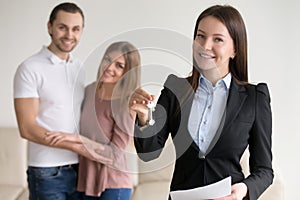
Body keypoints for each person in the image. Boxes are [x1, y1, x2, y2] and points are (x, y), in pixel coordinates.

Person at [130, 5, 273, 200]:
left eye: (218, 40)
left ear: (235, 49)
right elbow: (149, 153)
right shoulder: (175, 89)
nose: (205, 46)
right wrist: (144, 118)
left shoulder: (255, 97)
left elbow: (264, 170)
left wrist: (244, 189)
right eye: (200, 36)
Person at [46, 41, 141, 200]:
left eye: (119, 65)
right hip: (84, 182)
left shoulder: (125, 103)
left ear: (128, 72)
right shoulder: (89, 91)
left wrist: (78, 140)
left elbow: (114, 155)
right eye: (107, 59)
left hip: (114, 186)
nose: (109, 67)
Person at [13, 2, 89, 200]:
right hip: (46, 171)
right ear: (50, 27)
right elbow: (27, 128)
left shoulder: (78, 67)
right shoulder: (30, 68)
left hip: (80, 168)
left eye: (75, 29)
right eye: (62, 27)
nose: (69, 35)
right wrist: (76, 145)